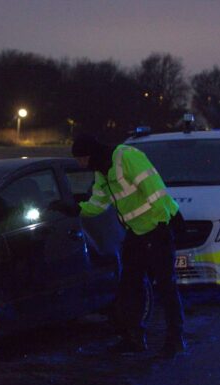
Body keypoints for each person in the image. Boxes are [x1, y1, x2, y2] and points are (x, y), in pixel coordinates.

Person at [70, 133, 186, 357]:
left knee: (165, 285)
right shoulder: (102, 172)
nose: (80, 165)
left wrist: (164, 222)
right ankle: (133, 338)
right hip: (136, 232)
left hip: (157, 228)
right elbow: (98, 203)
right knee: (130, 285)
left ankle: (175, 338)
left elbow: (155, 189)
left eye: (81, 159)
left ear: (91, 155)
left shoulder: (127, 157)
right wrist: (76, 209)